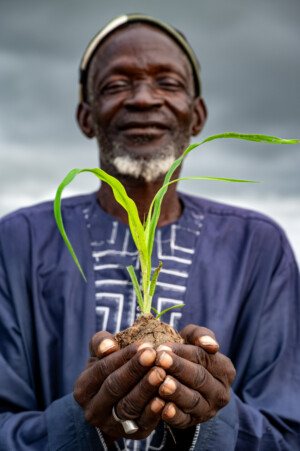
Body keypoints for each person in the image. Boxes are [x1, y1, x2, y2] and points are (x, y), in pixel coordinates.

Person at [0, 13, 299, 451]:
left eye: (168, 83)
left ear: (197, 117)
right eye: (117, 84)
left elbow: (289, 432)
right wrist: (82, 424)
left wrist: (207, 419)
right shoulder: (17, 243)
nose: (143, 99)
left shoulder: (258, 248)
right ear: (86, 117)